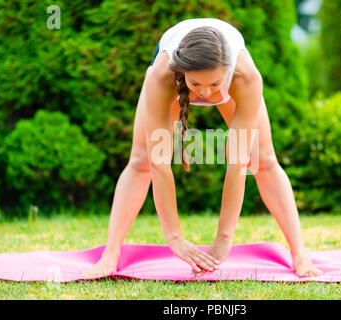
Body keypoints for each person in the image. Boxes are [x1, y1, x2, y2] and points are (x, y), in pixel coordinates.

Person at [82, 18, 322, 278]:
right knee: (142, 160)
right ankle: (110, 255)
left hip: (230, 76)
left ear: (227, 71)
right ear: (183, 72)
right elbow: (159, 164)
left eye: (214, 84)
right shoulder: (162, 77)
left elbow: (237, 164)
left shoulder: (246, 77)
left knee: (262, 159)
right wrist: (174, 238)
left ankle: (300, 255)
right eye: (196, 84)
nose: (205, 93)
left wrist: (224, 238)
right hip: (172, 77)